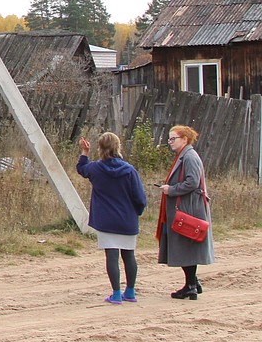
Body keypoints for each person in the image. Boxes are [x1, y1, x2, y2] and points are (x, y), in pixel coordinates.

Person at [77, 132, 148, 303]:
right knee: (129, 255)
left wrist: (85, 153)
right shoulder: (130, 170)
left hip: (106, 220)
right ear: (118, 147)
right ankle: (130, 292)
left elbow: (81, 169)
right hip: (127, 219)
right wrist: (137, 212)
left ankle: (116, 293)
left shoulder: (95, 168)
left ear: (100, 148)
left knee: (112, 256)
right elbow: (140, 198)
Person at [157, 124, 214, 299]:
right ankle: (193, 282)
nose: (170, 142)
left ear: (184, 139)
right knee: (184, 246)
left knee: (186, 247)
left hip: (188, 210)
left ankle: (190, 285)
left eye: (173, 139)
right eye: (169, 139)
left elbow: (192, 182)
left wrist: (171, 190)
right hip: (186, 208)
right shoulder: (185, 156)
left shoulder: (189, 157)